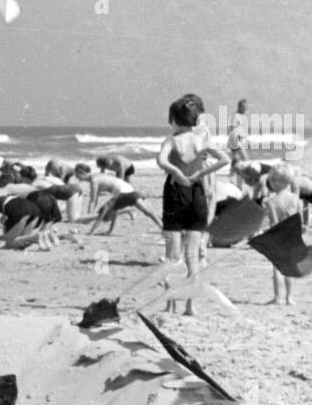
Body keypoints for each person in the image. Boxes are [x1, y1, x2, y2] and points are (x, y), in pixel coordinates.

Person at [157, 94, 229, 315]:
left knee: (172, 253)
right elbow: (225, 159)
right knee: (192, 254)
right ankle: (190, 305)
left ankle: (170, 304)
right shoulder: (201, 140)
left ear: (174, 120)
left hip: (175, 192)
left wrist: (177, 172)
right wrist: (199, 172)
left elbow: (161, 161)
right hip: (196, 192)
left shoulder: (171, 140)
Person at [83, 166, 162, 234]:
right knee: (150, 213)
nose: (110, 219)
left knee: (149, 213)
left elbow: (99, 221)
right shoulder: (113, 205)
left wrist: (91, 232)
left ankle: (162, 227)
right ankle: (163, 224)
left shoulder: (105, 207)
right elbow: (114, 218)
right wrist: (110, 230)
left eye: (107, 218)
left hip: (131, 196)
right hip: (131, 193)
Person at [262, 165, 300, 306]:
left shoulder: (271, 201)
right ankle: (290, 298)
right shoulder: (295, 199)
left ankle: (278, 298)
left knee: (277, 270)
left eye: (271, 180)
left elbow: (274, 223)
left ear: (276, 182)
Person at [227, 99, 251, 174]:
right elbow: (232, 130)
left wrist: (247, 140)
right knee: (246, 160)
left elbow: (242, 130)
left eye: (246, 107)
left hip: (237, 141)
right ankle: (245, 177)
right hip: (236, 141)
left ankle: (232, 178)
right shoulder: (236, 116)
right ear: (240, 107)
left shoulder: (242, 116)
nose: (246, 109)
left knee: (235, 162)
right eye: (244, 107)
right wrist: (238, 142)